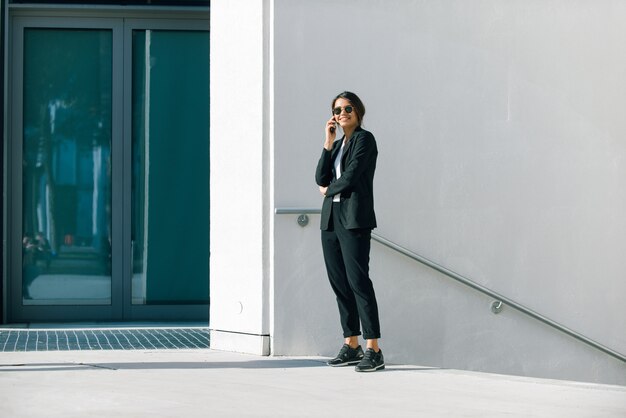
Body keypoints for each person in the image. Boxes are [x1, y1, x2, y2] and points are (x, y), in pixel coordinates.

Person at [315, 91, 384, 372]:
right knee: (339, 284)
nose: (342, 113)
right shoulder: (339, 143)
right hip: (331, 220)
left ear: (358, 111)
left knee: (359, 282)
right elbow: (321, 176)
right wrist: (328, 143)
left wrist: (328, 190)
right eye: (337, 109)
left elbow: (352, 175)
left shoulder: (364, 140)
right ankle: (351, 344)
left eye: (347, 108)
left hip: (354, 219)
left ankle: (373, 349)